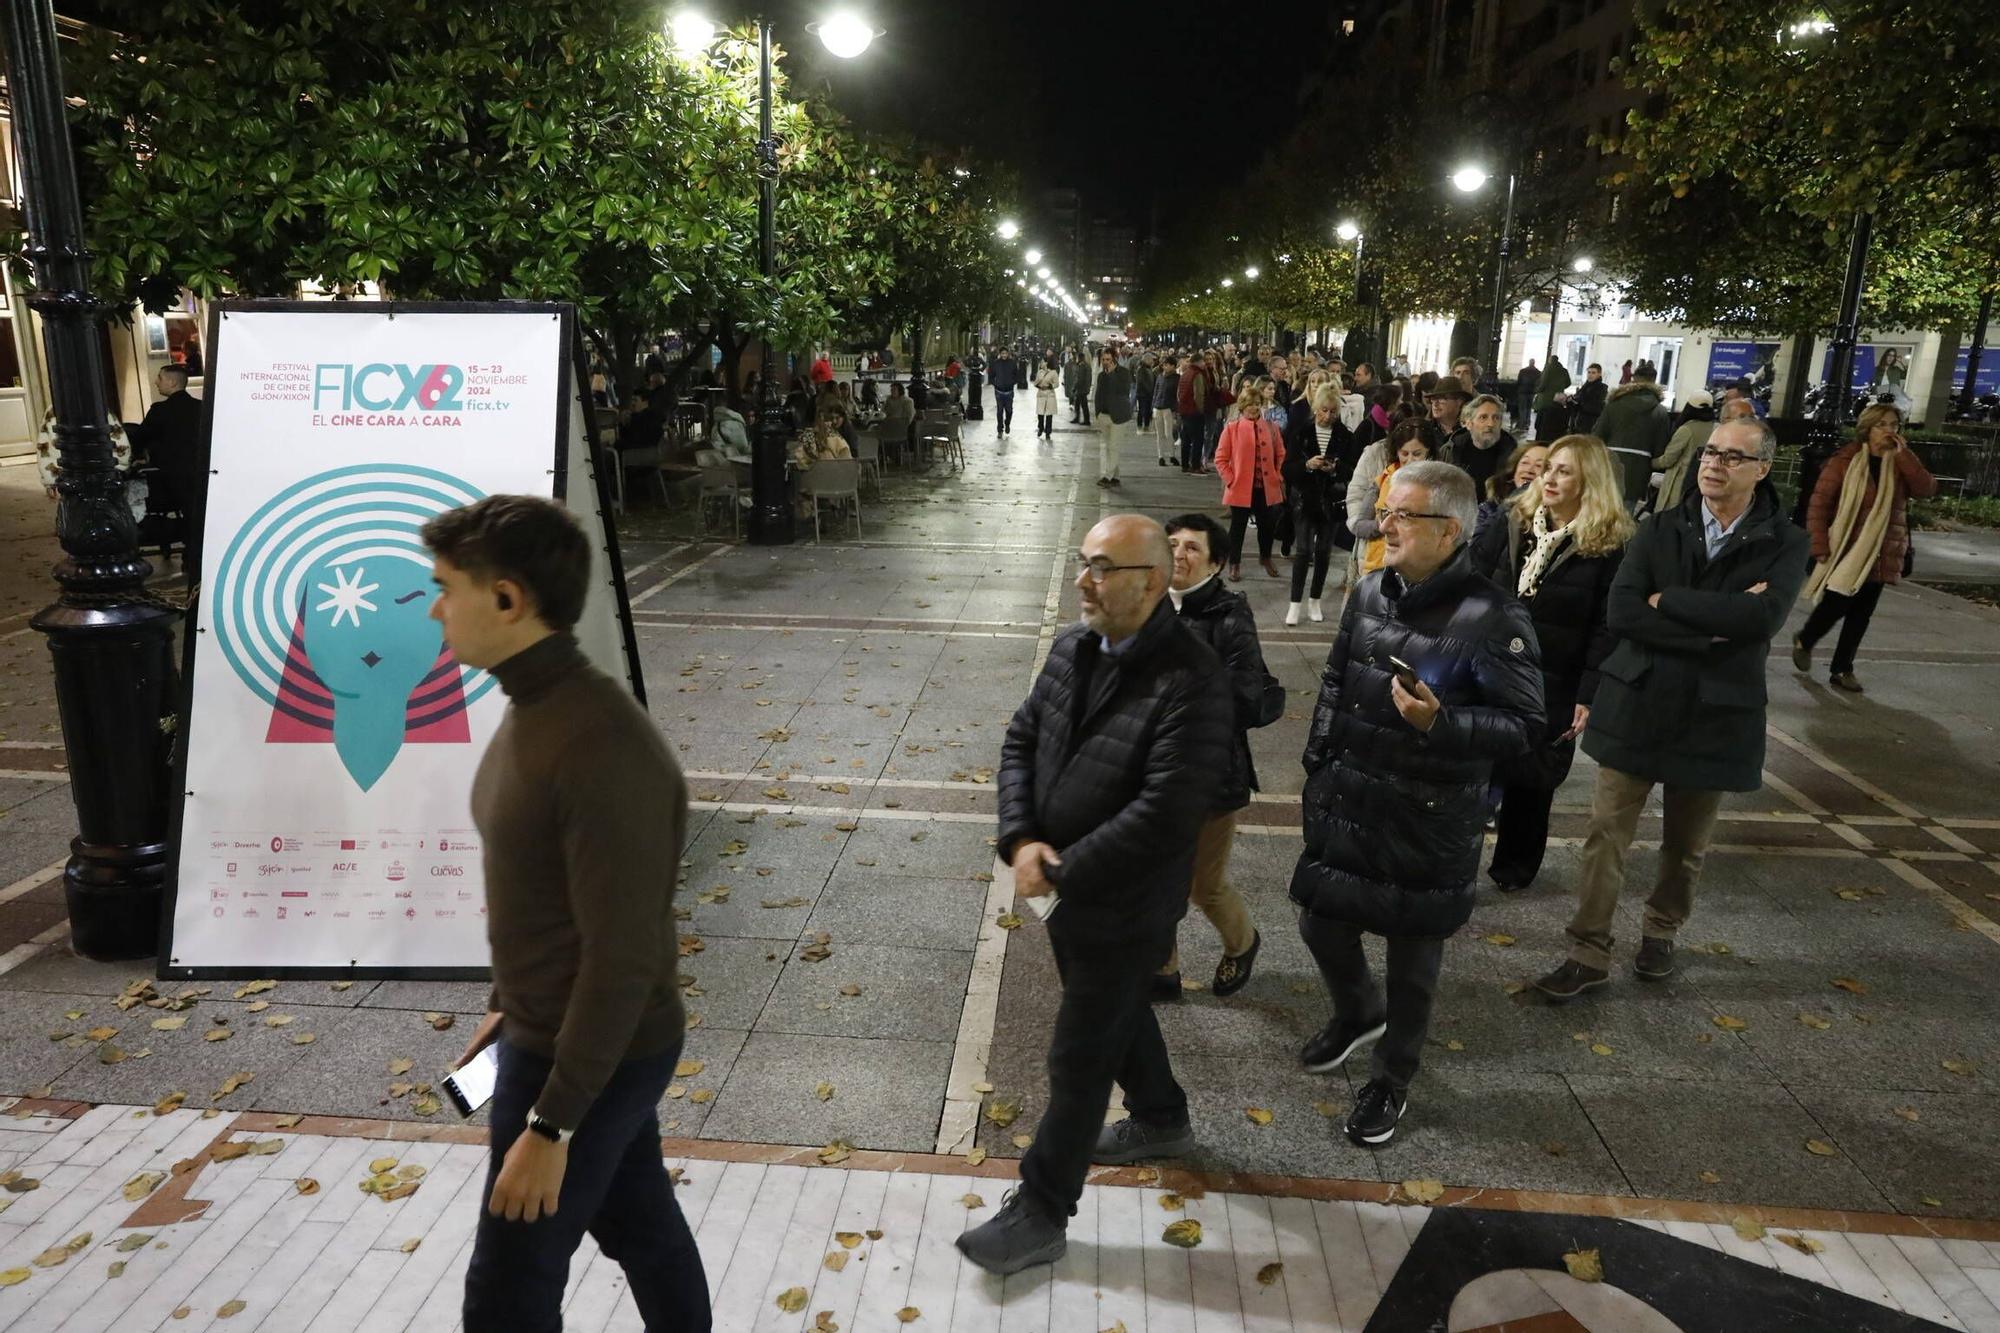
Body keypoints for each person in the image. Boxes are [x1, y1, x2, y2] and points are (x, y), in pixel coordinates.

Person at [424, 496, 709, 1332]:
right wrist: (507, 1002)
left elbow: (624, 957)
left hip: (586, 1058)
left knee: (507, 1292)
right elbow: (542, 894)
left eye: (446, 587)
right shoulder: (535, 708)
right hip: (545, 1032)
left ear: (508, 599)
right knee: (642, 1227)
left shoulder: (600, 746)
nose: (436, 607)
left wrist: (551, 1123)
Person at [959, 515, 1231, 1276]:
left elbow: (1166, 811)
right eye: (1083, 562)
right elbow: (1020, 740)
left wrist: (1061, 866)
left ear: (1152, 581)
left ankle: (1042, 1210)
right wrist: (1020, 837)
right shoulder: (1073, 647)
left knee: (1079, 1053)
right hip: (1063, 891)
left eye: (1102, 567)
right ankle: (1162, 1114)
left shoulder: (1193, 678)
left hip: (1128, 902)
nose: (1084, 579)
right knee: (1112, 1008)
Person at [1291, 460, 1544, 1146]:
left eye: (1403, 515)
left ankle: (1392, 1078)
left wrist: (1442, 723)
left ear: (1450, 530)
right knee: (1320, 921)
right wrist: (1319, 761)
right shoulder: (1372, 588)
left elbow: (1525, 726)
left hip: (1429, 817)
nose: (1385, 525)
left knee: (1413, 964)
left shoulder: (1494, 616)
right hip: (1351, 795)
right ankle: (1355, 1010)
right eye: (1385, 511)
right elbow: (1338, 680)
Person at [1533, 418, 1810, 1000]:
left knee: (1687, 843)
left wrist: (1673, 603)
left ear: (1761, 470)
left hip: (1715, 710)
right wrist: (1715, 625)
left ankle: (1661, 932)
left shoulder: (1785, 541)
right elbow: (1626, 613)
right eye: (1710, 452)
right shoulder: (1658, 528)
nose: (1714, 463)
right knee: (1605, 832)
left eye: (1733, 457)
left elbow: (1763, 619)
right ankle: (1588, 950)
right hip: (1639, 696)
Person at [1471, 436, 1634, 892]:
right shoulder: (1513, 520)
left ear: (1591, 481)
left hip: (1554, 677)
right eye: (1548, 468)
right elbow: (1472, 578)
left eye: (1564, 471)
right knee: (1471, 767)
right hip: (1490, 665)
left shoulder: (1610, 544)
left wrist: (1588, 693)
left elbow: (1608, 626)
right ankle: (1454, 862)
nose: (1550, 477)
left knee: (1532, 777)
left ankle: (1513, 870)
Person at [1158, 512, 1279, 998]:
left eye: (1191, 548)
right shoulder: (1147, 603)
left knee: (1203, 887)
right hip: (1153, 773)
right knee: (1158, 880)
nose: (1177, 555)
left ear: (1215, 563)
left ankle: (1242, 943)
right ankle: (1163, 971)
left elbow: (1248, 696)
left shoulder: (1230, 615)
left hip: (1209, 775)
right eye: (1171, 544)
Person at [1793, 404, 1936, 693]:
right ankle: (1806, 640)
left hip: (1882, 550)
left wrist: (1904, 455)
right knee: (1836, 605)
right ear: (1867, 429)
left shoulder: (1899, 462)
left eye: (1894, 425)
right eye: (1882, 424)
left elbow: (1926, 489)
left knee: (1861, 614)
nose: (1889, 430)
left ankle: (1842, 668)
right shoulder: (1845, 461)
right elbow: (1819, 503)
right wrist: (1819, 543)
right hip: (1847, 548)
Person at [123, 364, 208, 575]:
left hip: (170, 478)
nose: (156, 381)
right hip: (201, 473)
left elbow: (139, 437)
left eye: (159, 378)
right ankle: (197, 555)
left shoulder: (160, 411)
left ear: (171, 382)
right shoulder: (201, 407)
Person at [1283, 382, 1353, 625]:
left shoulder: (1345, 436)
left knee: (1324, 552)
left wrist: (1336, 470)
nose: (1327, 416)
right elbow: (1287, 469)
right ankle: (1294, 604)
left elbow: (1353, 471)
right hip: (1305, 500)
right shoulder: (1301, 433)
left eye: (1332, 411)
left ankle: (1314, 600)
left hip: (1331, 502)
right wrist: (1306, 465)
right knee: (1303, 551)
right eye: (1324, 410)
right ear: (1315, 408)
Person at [1213, 382, 1287, 582]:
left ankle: (1266, 558)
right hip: (1240, 489)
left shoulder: (1271, 428)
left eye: (1257, 403)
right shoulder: (1232, 429)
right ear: (1242, 406)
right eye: (1249, 404)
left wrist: (1277, 473)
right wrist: (1230, 479)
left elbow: (1281, 453)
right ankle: (1234, 563)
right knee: (1237, 528)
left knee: (1267, 526)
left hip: (1265, 488)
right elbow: (1220, 459)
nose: (1254, 407)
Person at [1352, 421, 1431, 576]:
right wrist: (1385, 524)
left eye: (1417, 454)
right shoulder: (1382, 480)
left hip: (1414, 571)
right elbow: (1359, 526)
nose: (1410, 460)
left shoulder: (1435, 485)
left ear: (1428, 452)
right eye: (1404, 454)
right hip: (1376, 569)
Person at [1596, 363, 1673, 512]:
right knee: (1625, 515)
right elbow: (1660, 448)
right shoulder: (1660, 411)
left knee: (1600, 512)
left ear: (1633, 379)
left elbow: (1598, 435)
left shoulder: (1614, 403)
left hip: (1608, 464)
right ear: (1654, 380)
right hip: (1638, 470)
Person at [1474, 441, 1549, 542]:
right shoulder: (1489, 509)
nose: (1529, 470)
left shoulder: (1552, 517)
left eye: (1539, 465)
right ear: (1514, 471)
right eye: (1524, 463)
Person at [1445, 392, 1515, 497]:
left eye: (1496, 418)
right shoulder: (1451, 450)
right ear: (1469, 424)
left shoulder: (1513, 455)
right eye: (1483, 417)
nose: (1490, 424)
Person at [1093, 346, 1133, 489]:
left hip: (1119, 416)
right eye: (1103, 359)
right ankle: (1116, 476)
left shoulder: (1123, 373)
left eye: (1108, 359)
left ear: (1114, 359)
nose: (1105, 362)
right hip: (1104, 415)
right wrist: (1097, 412)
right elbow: (1098, 394)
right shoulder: (1101, 375)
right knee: (1109, 447)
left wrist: (1111, 374)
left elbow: (1123, 391)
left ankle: (1108, 476)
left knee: (1114, 446)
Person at [1176, 349, 1221, 473]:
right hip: (1194, 411)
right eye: (1202, 361)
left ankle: (1185, 464)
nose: (1204, 364)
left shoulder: (1185, 373)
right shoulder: (1198, 374)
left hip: (1184, 410)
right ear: (1198, 362)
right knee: (1197, 439)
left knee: (1186, 438)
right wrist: (1201, 410)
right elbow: (1199, 394)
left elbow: (1179, 392)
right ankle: (1195, 465)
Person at [1422, 376, 1470, 455]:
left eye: (1441, 398)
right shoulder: (1425, 430)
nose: (1435, 404)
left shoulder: (1468, 430)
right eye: (1433, 399)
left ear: (1459, 401)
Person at [1153, 353, 1182, 467]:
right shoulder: (1160, 377)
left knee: (1168, 433)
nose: (1164, 367)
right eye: (1164, 365)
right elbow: (1156, 391)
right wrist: (1153, 406)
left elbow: (1177, 395)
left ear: (1173, 366)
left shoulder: (1177, 378)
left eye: (1167, 365)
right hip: (1158, 407)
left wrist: (1175, 409)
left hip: (1168, 408)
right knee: (1159, 434)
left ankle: (1171, 455)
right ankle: (1161, 456)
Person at [1532, 357, 1572, 438]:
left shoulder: (1548, 369)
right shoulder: (1564, 370)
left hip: (1545, 400)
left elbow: (1543, 383)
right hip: (1557, 400)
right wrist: (1561, 387)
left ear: (1550, 361)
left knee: (1541, 424)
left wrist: (1537, 390)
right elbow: (1569, 382)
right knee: (1553, 422)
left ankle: (1539, 440)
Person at [988, 344, 1021, 436]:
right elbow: (991, 375)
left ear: (1008, 354)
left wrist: (1012, 382)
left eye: (1005, 353)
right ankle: (999, 429)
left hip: (1009, 391)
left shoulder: (1012, 363)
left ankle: (1007, 423)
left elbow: (1017, 374)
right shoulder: (996, 363)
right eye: (1002, 353)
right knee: (999, 411)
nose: (1004, 355)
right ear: (1000, 354)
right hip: (999, 390)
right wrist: (995, 383)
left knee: (1009, 410)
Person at [881, 381, 917, 454]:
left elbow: (909, 417)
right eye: (891, 390)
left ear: (900, 390)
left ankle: (887, 454)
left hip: (902, 428)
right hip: (889, 425)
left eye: (894, 390)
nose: (892, 392)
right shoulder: (889, 400)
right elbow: (883, 412)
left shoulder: (907, 401)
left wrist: (898, 422)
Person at [1572, 363, 1608, 434]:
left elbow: (1597, 407)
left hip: (1590, 423)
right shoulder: (1585, 386)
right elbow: (1578, 397)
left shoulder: (1601, 388)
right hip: (1579, 422)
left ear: (1599, 374)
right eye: (1589, 372)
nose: (1590, 375)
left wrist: (1580, 403)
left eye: (1593, 373)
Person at [1034, 354, 1061, 440]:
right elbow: (1035, 382)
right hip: (1041, 394)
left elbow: (1057, 384)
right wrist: (1038, 385)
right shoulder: (1039, 372)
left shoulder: (1053, 372)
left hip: (1050, 395)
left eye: (1042, 361)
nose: (1041, 363)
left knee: (1049, 414)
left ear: (1046, 362)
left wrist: (1050, 386)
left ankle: (1048, 431)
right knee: (1040, 413)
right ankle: (1040, 427)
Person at [1064, 349, 1092, 426]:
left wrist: (1074, 387)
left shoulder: (1082, 366)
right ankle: (1081, 419)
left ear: (1080, 358)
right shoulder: (1087, 366)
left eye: (1077, 358)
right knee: (1081, 404)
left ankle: (1083, 419)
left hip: (1081, 389)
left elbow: (1080, 378)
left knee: (1081, 405)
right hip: (1084, 389)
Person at [1133, 351, 1157, 437]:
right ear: (1147, 360)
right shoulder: (1141, 369)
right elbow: (1141, 382)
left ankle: (1146, 427)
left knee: (1147, 410)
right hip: (1143, 394)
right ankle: (1139, 427)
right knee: (1142, 410)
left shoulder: (1148, 369)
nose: (1152, 362)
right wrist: (1149, 390)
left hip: (1148, 394)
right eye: (1151, 360)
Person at [1515, 359, 1541, 427]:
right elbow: (1539, 383)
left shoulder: (1523, 371)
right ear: (1534, 363)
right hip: (1532, 392)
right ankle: (1527, 423)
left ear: (1529, 362)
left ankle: (1522, 423)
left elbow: (1519, 381)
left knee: (1522, 408)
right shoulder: (1538, 372)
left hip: (1522, 391)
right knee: (1529, 408)